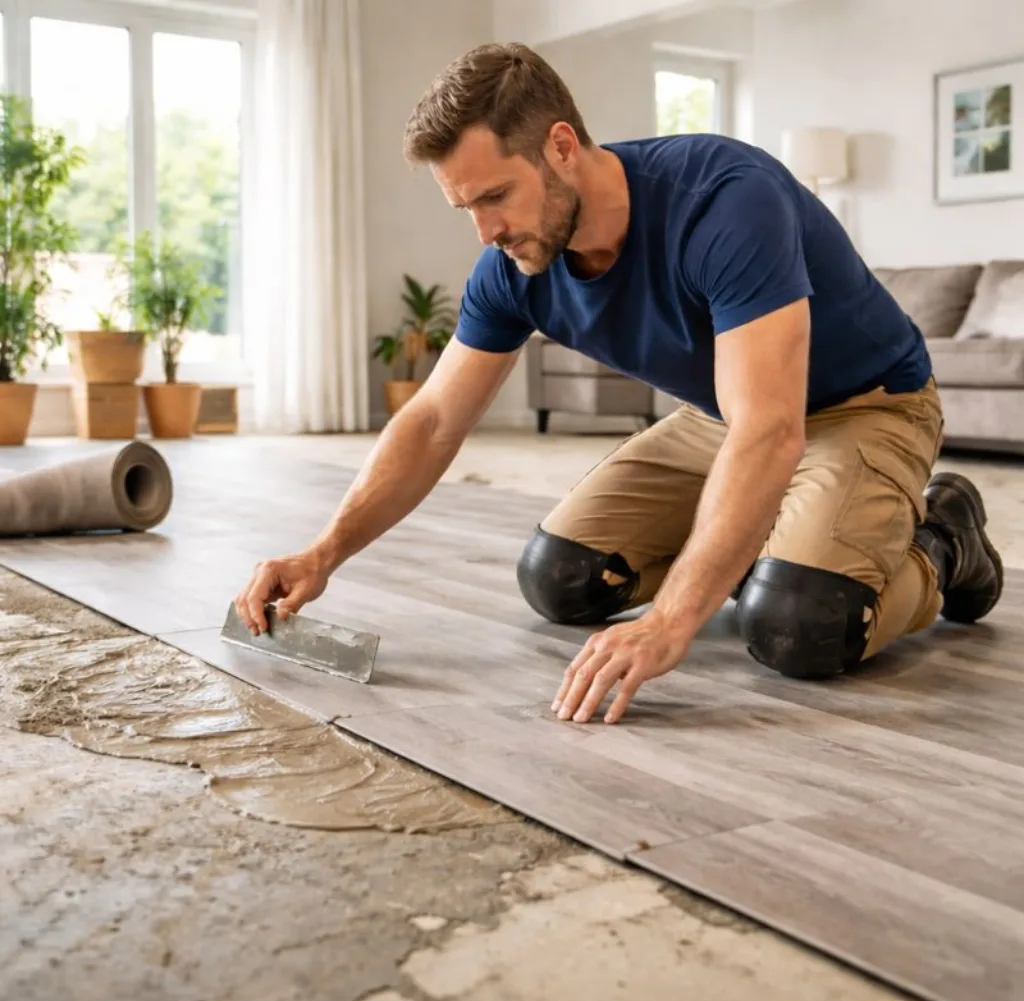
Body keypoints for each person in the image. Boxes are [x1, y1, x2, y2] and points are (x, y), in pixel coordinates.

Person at [235, 42, 1003, 726]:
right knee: (563, 579)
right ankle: (775, 546)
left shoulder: (726, 201)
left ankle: (943, 540)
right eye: (465, 208)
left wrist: (673, 620)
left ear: (561, 146)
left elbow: (772, 429)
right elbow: (436, 418)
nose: (486, 233)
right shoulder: (513, 266)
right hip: (724, 417)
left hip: (863, 406)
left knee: (802, 623)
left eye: (495, 196)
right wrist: (323, 552)